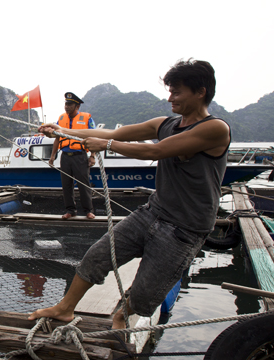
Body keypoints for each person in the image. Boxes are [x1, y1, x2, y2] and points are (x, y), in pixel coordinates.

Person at [31, 59, 230, 330]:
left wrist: (109, 145)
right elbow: (113, 132)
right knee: (96, 256)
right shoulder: (165, 123)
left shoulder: (215, 128)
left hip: (186, 227)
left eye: (177, 92)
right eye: (169, 90)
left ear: (201, 92)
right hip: (154, 211)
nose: (170, 97)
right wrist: (63, 131)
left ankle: (122, 315)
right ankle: (65, 308)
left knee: (145, 297)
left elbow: (155, 151)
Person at [48, 92, 96, 220]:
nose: (66, 107)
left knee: (83, 184)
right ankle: (70, 210)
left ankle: (88, 211)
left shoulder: (86, 118)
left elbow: (93, 137)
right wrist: (52, 156)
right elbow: (57, 139)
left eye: (70, 104)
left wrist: (92, 156)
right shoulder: (61, 119)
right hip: (65, 156)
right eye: (66, 104)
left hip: (80, 156)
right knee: (66, 185)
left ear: (77, 106)